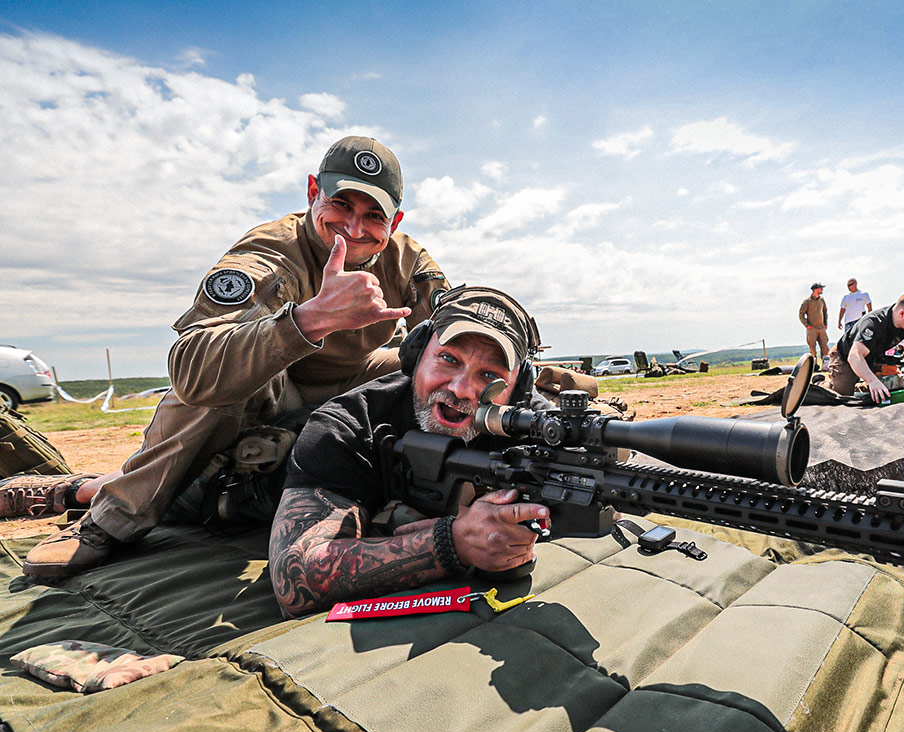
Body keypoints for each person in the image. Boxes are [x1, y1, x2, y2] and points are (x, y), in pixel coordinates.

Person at [22, 136, 451, 581]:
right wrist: (310, 320)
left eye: (374, 215)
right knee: (222, 381)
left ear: (395, 221)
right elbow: (192, 370)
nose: (354, 227)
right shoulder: (270, 252)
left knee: (435, 374)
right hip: (275, 388)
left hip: (351, 379)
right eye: (341, 204)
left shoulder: (407, 259)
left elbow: (454, 326)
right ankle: (109, 516)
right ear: (312, 192)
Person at [268, 287, 547, 618]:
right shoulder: (346, 426)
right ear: (415, 355)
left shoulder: (535, 427)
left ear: (517, 391)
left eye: (490, 376)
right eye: (448, 359)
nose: (460, 389)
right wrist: (452, 543)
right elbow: (295, 577)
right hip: (259, 476)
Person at [830, 289, 904, 402]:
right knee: (842, 397)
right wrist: (872, 381)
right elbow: (855, 356)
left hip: (872, 357)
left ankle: (862, 387)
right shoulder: (873, 323)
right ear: (902, 313)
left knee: (889, 388)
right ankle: (822, 384)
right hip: (845, 356)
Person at [798, 283, 830, 368]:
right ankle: (813, 366)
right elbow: (801, 314)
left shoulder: (821, 300)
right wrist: (807, 325)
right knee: (812, 348)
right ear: (815, 289)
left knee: (825, 347)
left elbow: (825, 312)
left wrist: (825, 324)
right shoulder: (807, 301)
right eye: (820, 288)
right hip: (812, 329)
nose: (822, 290)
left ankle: (825, 366)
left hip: (821, 328)